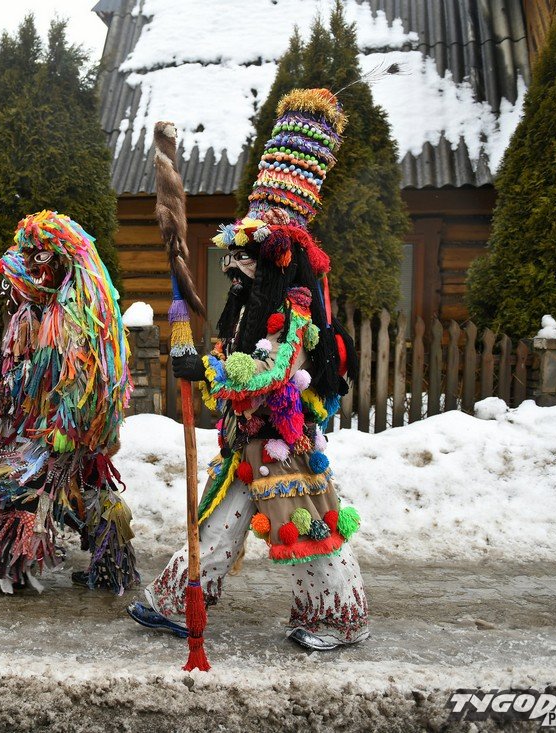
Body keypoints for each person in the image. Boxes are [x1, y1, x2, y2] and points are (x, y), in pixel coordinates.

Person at [126, 89, 370, 650]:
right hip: (246, 441)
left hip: (285, 443)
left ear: (278, 258)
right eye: (233, 253)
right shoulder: (247, 306)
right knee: (218, 521)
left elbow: (270, 371)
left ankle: (340, 617)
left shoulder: (297, 309)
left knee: (304, 532)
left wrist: (207, 372)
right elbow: (234, 355)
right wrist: (203, 360)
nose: (234, 264)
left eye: (246, 255)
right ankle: (178, 600)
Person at [0, 210, 140, 595]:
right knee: (89, 489)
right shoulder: (55, 306)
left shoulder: (76, 310)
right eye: (27, 259)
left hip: (70, 424)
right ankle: (113, 569)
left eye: (40, 258)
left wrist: (66, 426)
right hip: (70, 424)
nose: (30, 270)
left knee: (24, 482)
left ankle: (12, 570)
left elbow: (83, 374)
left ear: (64, 257)